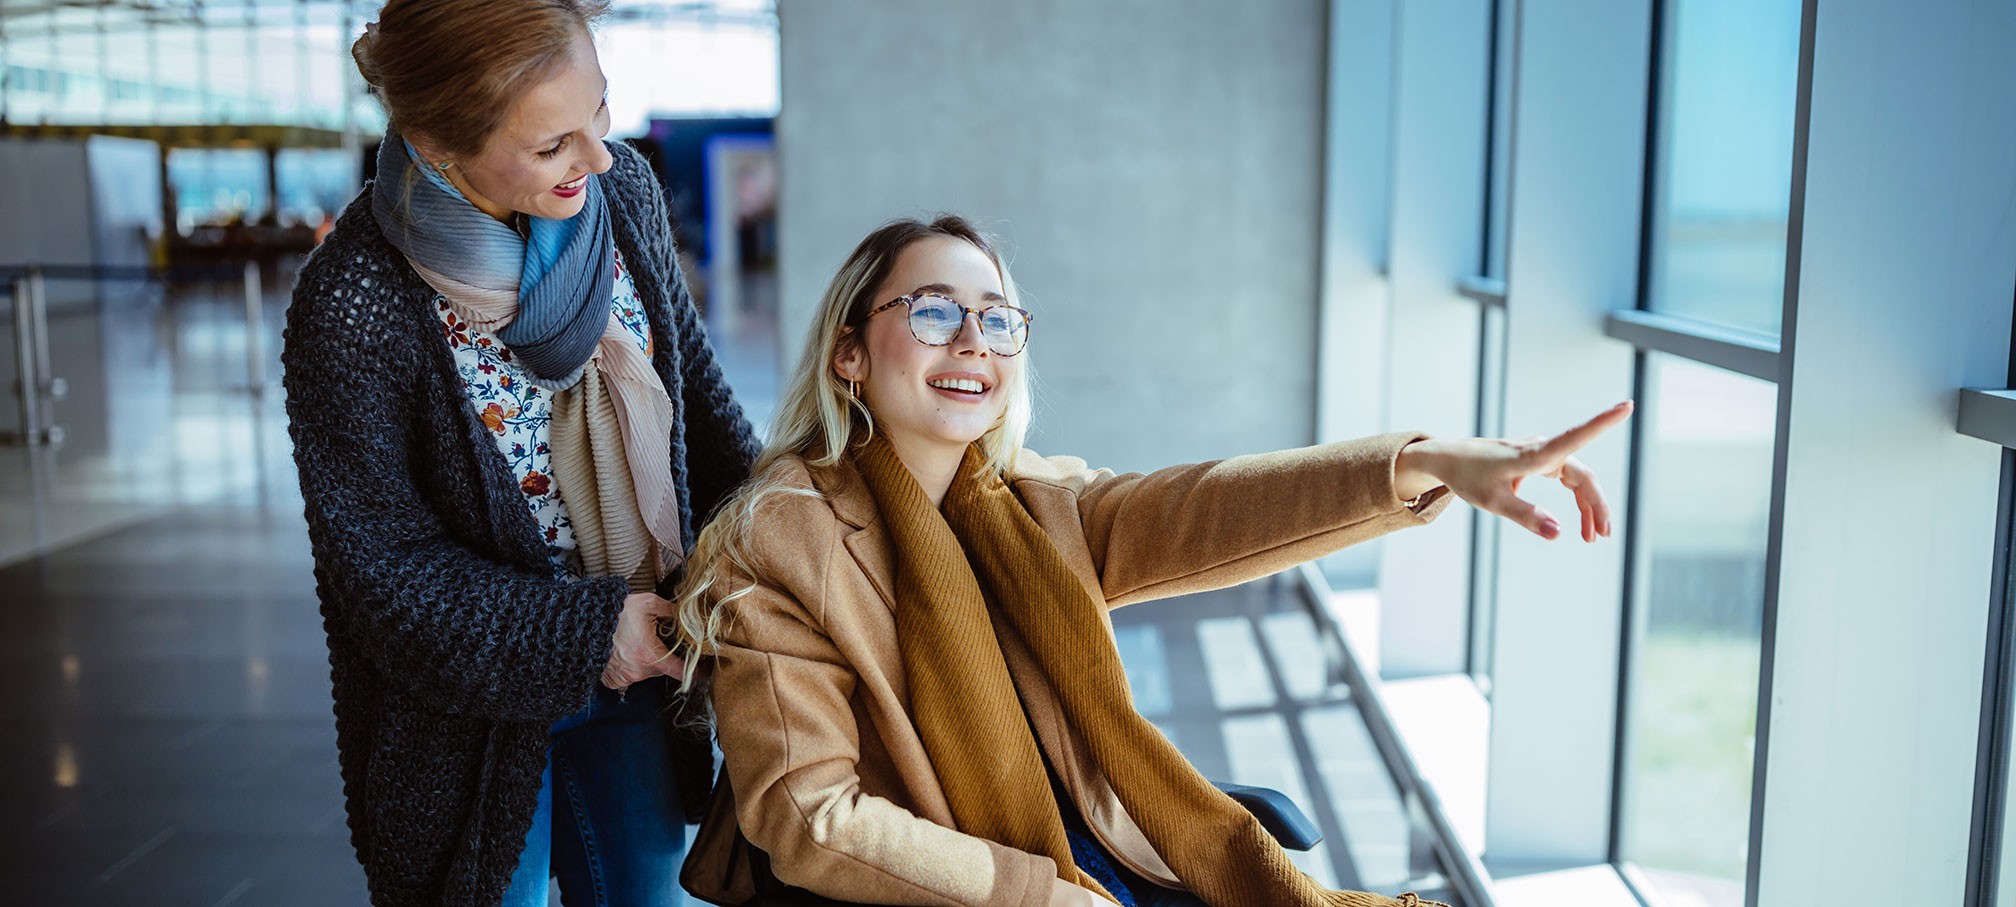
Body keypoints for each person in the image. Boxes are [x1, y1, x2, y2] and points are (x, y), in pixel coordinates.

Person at [671, 216, 1629, 907]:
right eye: (933, 311)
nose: (973, 340)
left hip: (1110, 859)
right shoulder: (781, 538)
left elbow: (1212, 506)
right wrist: (1035, 898)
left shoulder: (1032, 501)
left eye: (998, 318)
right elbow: (813, 816)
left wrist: (1421, 464)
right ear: (849, 351)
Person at [280, 1, 758, 904]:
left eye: (601, 111)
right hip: (467, 719)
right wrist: (588, 633)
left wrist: (799, 531)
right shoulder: (355, 300)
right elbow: (385, 579)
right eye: (552, 145)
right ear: (436, 142)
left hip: (639, 681)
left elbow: (698, 402)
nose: (599, 156)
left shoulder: (623, 201)